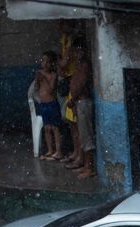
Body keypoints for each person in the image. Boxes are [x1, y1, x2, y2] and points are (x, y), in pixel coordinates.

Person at [65, 41, 95, 180]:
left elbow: (81, 83)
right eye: (75, 51)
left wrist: (73, 99)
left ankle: (89, 168)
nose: (77, 54)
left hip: (82, 102)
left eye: (79, 51)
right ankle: (85, 164)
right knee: (82, 135)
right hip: (78, 102)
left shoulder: (84, 66)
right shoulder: (79, 65)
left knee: (86, 136)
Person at [33, 51, 61, 161]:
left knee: (55, 128)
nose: (44, 64)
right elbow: (36, 88)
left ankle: (58, 151)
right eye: (43, 61)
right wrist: (38, 79)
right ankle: (50, 150)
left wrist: (44, 77)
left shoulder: (53, 75)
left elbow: (51, 89)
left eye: (48, 62)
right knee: (47, 128)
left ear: (52, 64)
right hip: (44, 105)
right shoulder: (40, 75)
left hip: (52, 104)